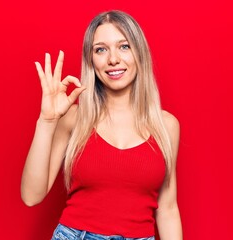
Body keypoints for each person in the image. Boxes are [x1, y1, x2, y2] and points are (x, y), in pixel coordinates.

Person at [21, 10, 183, 240]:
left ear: (140, 53)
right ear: (91, 60)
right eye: (101, 50)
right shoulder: (75, 118)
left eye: (124, 46)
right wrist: (47, 121)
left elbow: (167, 209)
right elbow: (31, 196)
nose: (113, 59)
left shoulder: (166, 126)